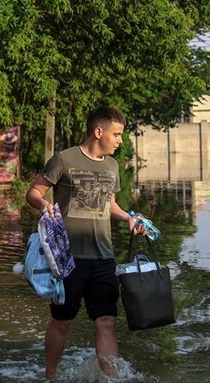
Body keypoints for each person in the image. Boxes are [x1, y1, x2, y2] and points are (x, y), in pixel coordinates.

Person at [25, 106, 146, 379]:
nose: (120, 140)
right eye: (116, 134)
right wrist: (42, 203)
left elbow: (109, 205)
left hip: (103, 258)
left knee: (106, 322)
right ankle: (51, 376)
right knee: (62, 321)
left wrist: (128, 218)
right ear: (98, 131)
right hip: (67, 260)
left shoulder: (112, 166)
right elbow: (33, 191)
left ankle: (110, 379)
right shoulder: (63, 159)